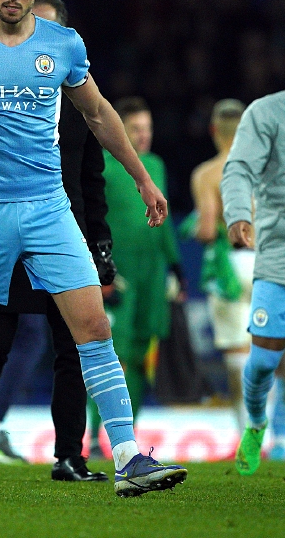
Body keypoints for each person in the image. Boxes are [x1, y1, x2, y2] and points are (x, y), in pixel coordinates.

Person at [0, 0, 187, 497]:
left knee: (94, 326)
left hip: (49, 206)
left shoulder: (63, 44)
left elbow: (98, 112)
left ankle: (128, 457)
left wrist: (142, 178)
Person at [0, 0, 114, 483]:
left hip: (65, 236)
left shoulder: (83, 105)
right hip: (9, 235)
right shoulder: (1, 95)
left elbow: (92, 181)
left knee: (73, 349)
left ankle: (70, 457)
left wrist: (101, 245)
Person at [88, 97, 182, 456]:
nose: (144, 136)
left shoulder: (155, 165)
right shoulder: (104, 165)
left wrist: (175, 265)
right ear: (120, 130)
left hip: (152, 275)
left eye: (148, 128)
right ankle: (95, 435)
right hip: (120, 275)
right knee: (114, 355)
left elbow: (164, 219)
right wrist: (100, 269)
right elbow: (92, 218)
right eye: (136, 129)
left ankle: (130, 436)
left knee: (144, 356)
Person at [221, 89, 285, 475]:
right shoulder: (266, 112)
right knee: (263, 360)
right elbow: (239, 168)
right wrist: (238, 213)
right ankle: (257, 422)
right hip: (277, 253)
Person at [188, 99, 252, 433]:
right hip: (268, 263)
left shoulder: (207, 174)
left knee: (238, 354)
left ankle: (249, 435)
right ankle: (278, 433)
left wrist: (194, 226)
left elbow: (208, 230)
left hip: (231, 266)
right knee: (272, 348)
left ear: (214, 130)